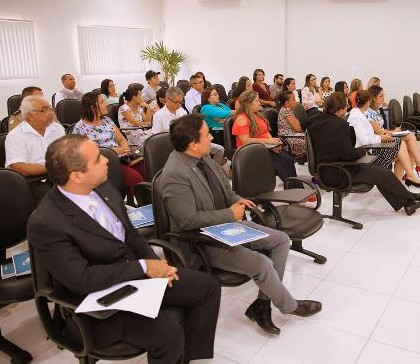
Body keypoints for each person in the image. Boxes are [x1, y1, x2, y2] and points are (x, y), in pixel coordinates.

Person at [28, 134, 221, 363]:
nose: (106, 160)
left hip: (133, 278)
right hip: (98, 303)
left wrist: (157, 265)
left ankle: (187, 357)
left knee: (207, 287)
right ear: (77, 176)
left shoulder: (104, 187)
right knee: (168, 331)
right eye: (98, 159)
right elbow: (82, 280)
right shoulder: (47, 222)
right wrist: (143, 267)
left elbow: (131, 235)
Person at [160, 114, 321, 335]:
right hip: (202, 240)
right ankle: (289, 306)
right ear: (192, 144)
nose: (211, 138)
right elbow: (187, 221)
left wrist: (237, 199)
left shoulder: (203, 157)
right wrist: (229, 213)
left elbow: (225, 190)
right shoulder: (174, 174)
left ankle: (262, 304)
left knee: (281, 240)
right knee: (262, 263)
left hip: (224, 225)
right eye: (206, 135)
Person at [309, 93, 420, 215]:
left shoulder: (316, 122)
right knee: (382, 173)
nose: (347, 110)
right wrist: (362, 151)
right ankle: (411, 200)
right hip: (339, 172)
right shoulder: (340, 126)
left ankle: (409, 202)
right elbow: (349, 155)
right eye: (346, 107)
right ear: (340, 110)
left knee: (381, 173)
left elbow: (306, 125)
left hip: (325, 170)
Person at [73, 92, 145, 200]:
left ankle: (144, 202)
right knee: (135, 179)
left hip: (123, 157)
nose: (106, 104)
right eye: (102, 102)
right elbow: (85, 155)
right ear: (92, 107)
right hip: (104, 163)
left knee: (145, 169)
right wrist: (113, 151)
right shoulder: (80, 128)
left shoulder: (107, 120)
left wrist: (125, 148)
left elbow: (121, 139)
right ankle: (143, 204)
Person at [349, 91, 420, 188]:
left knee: (402, 151)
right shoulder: (356, 117)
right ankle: (408, 177)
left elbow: (368, 136)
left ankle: (399, 184)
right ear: (367, 102)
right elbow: (364, 140)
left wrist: (382, 136)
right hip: (367, 152)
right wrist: (380, 138)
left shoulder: (359, 114)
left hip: (371, 147)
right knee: (401, 145)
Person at [232, 91, 301, 186]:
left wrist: (273, 143)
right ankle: (294, 187)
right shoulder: (242, 118)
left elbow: (266, 132)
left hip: (264, 147)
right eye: (257, 101)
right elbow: (246, 141)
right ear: (248, 103)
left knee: (288, 159)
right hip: (251, 151)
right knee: (283, 162)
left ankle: (295, 187)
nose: (259, 103)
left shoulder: (257, 115)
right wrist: (268, 141)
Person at [5, 96, 65, 202]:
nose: (51, 112)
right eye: (44, 110)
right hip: (33, 182)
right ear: (29, 116)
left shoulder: (57, 128)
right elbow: (19, 168)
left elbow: (66, 154)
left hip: (59, 175)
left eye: (50, 108)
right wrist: (51, 167)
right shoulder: (16, 135)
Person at [367, 85, 420, 176]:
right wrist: (394, 132)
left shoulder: (377, 111)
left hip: (384, 138)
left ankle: (410, 173)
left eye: (384, 95)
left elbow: (382, 130)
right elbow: (380, 133)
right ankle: (416, 168)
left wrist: (394, 131)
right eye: (380, 96)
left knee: (410, 142)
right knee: (408, 140)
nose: (383, 98)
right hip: (378, 144)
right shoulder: (369, 113)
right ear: (373, 98)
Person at [277, 91, 306, 157]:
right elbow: (298, 129)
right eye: (293, 100)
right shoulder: (285, 112)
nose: (295, 101)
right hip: (287, 139)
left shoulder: (289, 110)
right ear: (286, 103)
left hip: (293, 135)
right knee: (311, 142)